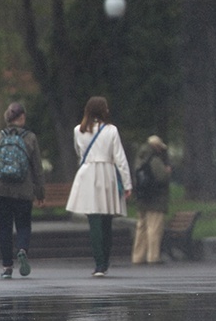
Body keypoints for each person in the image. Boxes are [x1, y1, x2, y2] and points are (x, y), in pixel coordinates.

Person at [65, 96, 133, 277]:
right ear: (104, 111)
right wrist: (127, 183)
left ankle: (98, 263)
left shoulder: (78, 131)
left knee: (93, 220)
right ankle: (104, 261)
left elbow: (79, 153)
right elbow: (120, 158)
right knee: (106, 220)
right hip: (107, 174)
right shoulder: (111, 131)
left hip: (87, 174)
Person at [0, 102, 46, 279]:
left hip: (0, 190)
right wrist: (40, 193)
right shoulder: (30, 138)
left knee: (5, 228)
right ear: (22, 117)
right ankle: (22, 249)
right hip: (23, 191)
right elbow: (37, 169)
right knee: (24, 224)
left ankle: (7, 267)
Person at [131, 135, 172, 265]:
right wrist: (167, 172)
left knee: (141, 228)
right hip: (155, 200)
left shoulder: (140, 158)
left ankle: (138, 256)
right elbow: (161, 177)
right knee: (154, 228)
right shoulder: (154, 159)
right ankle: (153, 256)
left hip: (142, 198)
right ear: (156, 147)